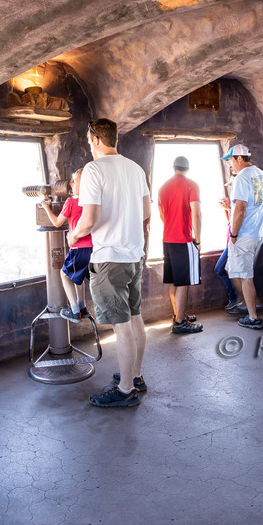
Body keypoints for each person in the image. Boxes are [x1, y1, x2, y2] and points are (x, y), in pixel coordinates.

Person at [69, 119, 151, 407]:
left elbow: (88, 220)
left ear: (95, 138)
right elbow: (144, 213)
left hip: (109, 258)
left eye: (88, 139)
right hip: (133, 256)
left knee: (121, 326)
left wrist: (73, 235)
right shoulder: (135, 168)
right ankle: (136, 376)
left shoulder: (94, 169)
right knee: (135, 317)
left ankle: (126, 390)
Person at [223, 144, 263, 330]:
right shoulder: (260, 174)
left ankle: (252, 317)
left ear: (240, 159)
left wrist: (234, 234)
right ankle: (247, 301)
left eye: (231, 160)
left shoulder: (241, 177)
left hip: (244, 234)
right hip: (258, 231)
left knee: (245, 277)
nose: (231, 164)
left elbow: (241, 209)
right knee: (233, 269)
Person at [157, 156, 204, 335]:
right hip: (184, 239)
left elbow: (162, 215)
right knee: (183, 282)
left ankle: (179, 314)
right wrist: (197, 239)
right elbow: (197, 214)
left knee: (173, 280)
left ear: (173, 167)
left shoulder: (163, 187)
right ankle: (179, 322)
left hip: (167, 239)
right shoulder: (192, 185)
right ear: (188, 168)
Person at [39, 169, 91, 322]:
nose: (71, 183)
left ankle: (74, 311)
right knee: (78, 276)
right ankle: (82, 307)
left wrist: (46, 207)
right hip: (93, 248)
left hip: (78, 247)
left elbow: (57, 223)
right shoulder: (91, 203)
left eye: (75, 181)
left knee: (64, 274)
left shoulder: (71, 202)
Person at [218, 190, 246, 315]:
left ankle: (237, 298)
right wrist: (228, 209)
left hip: (235, 242)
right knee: (226, 270)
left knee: (221, 269)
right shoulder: (232, 206)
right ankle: (237, 299)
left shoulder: (239, 204)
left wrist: (229, 208)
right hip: (231, 242)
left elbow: (238, 219)